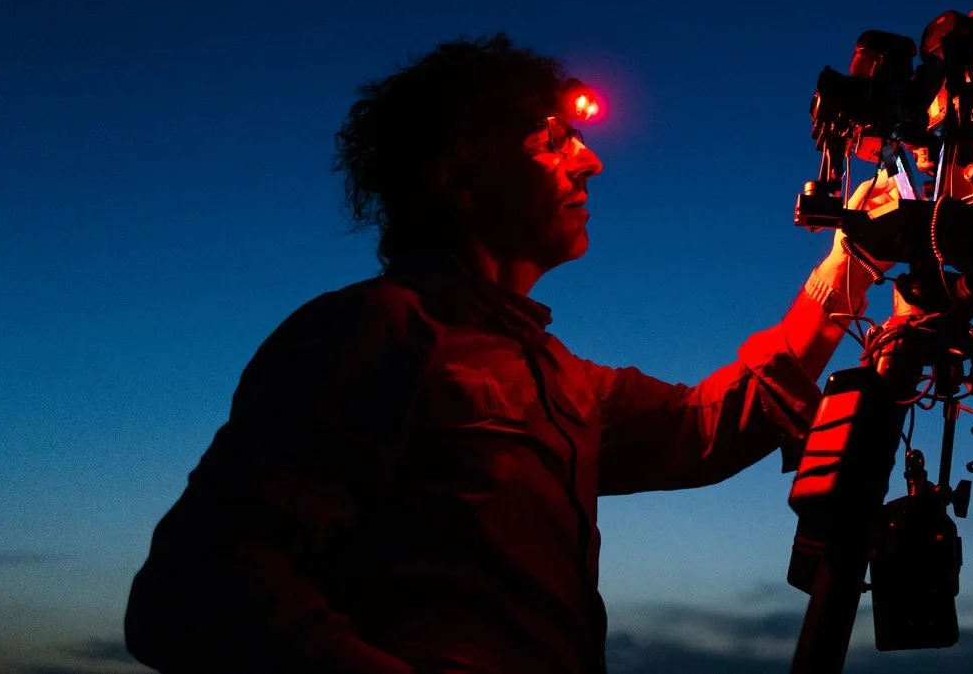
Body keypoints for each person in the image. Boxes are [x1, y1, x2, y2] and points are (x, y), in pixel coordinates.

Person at [125, 34, 879, 674]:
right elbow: (194, 588)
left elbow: (702, 425)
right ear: (457, 176)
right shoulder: (373, 333)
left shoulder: (552, 373)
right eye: (552, 139)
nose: (591, 163)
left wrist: (847, 266)